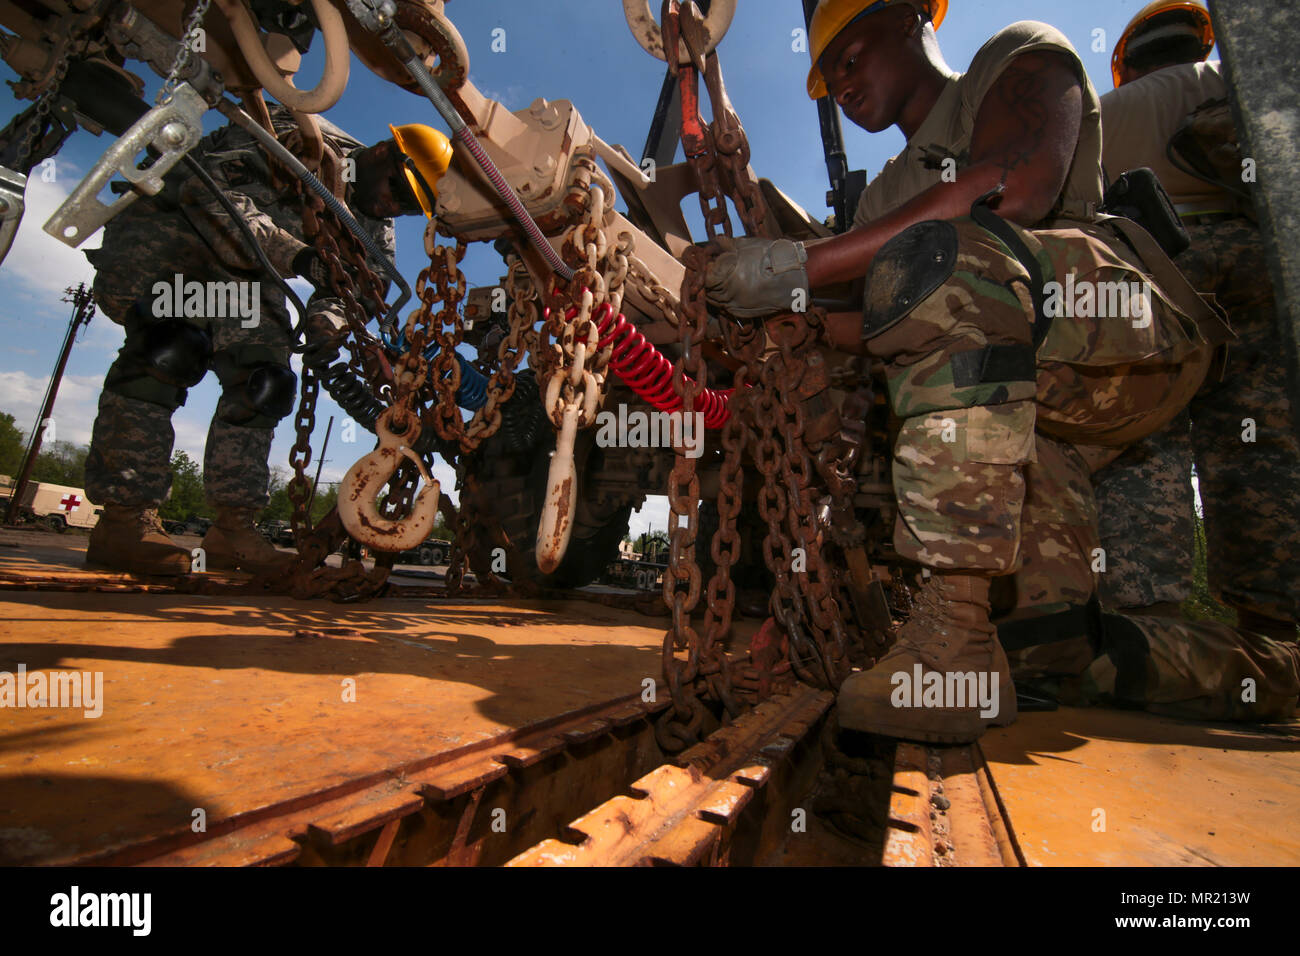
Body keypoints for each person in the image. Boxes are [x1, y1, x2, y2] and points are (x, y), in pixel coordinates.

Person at [702, 0, 1300, 741]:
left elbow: (1012, 188)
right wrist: (799, 321)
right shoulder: (887, 194)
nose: (844, 86)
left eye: (852, 57)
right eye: (831, 76)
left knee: (943, 261)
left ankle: (953, 649)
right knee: (1055, 653)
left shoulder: (1014, 59)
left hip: (1123, 331)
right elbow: (879, 324)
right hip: (1032, 409)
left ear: (914, 19)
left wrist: (801, 267)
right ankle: (1276, 673)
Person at [82, 102, 447, 576]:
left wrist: (326, 325)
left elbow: (354, 286)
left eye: (410, 204)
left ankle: (232, 529)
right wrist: (297, 257)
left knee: (266, 382)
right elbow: (203, 190)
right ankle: (124, 521)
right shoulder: (292, 137)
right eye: (397, 188)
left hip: (244, 275)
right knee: (169, 351)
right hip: (170, 234)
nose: (393, 205)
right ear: (382, 153)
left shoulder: (374, 226)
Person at [1090, 0, 1300, 643]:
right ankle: (1275, 628)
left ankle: (1149, 624)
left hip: (1155, 272)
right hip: (1254, 263)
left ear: (1128, 61)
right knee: (1260, 437)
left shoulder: (1103, 113)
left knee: (1148, 438)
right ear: (1199, 42)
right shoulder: (1237, 86)